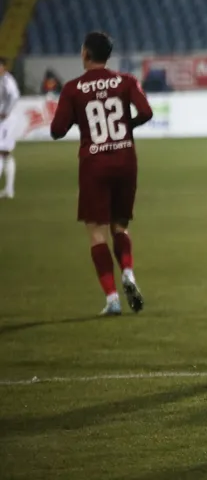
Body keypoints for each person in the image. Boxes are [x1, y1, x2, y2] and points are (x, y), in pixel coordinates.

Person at [50, 32, 153, 315]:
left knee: (97, 232)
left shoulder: (73, 88)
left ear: (85, 54)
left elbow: (56, 130)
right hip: (125, 160)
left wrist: (79, 119)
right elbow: (146, 112)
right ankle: (128, 272)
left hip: (94, 164)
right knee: (120, 225)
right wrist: (125, 127)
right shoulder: (126, 81)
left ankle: (112, 299)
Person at [0, 57, 20, 199]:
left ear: (4, 67)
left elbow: (14, 96)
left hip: (6, 121)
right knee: (6, 155)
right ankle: (9, 190)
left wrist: (6, 112)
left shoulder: (8, 81)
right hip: (2, 121)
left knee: (2, 152)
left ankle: (9, 190)